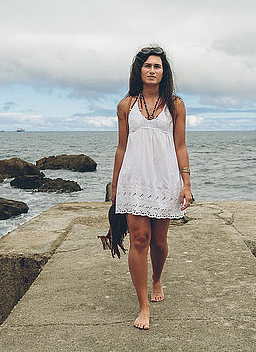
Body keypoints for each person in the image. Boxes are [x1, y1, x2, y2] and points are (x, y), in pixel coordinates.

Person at [110, 46, 193, 330]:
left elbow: (180, 145)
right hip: (134, 179)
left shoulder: (175, 105)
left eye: (157, 66)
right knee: (139, 240)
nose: (152, 70)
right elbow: (121, 147)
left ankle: (157, 278)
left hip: (164, 179)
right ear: (139, 71)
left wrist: (187, 183)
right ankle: (143, 305)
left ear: (163, 72)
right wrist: (115, 185)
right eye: (148, 66)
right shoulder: (126, 105)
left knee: (158, 242)